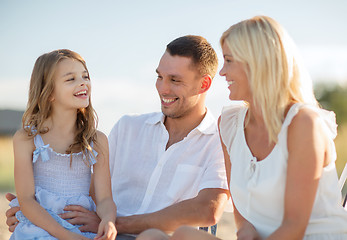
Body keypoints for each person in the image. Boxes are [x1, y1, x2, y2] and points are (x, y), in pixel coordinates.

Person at [6, 36, 229, 240]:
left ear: (204, 84)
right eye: (159, 77)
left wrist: (114, 223)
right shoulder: (127, 127)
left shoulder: (219, 140)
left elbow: (208, 210)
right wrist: (36, 211)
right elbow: (89, 192)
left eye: (175, 80)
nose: (162, 88)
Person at [147, 15, 347, 240]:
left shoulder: (302, 124)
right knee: (163, 236)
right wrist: (245, 229)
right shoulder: (231, 124)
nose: (221, 72)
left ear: (258, 64)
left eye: (229, 61)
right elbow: (243, 215)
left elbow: (295, 227)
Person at [8, 49, 117, 240]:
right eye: (71, 79)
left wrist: (108, 220)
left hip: (83, 229)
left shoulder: (97, 140)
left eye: (85, 76)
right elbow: (26, 200)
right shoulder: (26, 138)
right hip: (41, 229)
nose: (83, 82)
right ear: (49, 92)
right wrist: (67, 236)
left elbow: (105, 198)